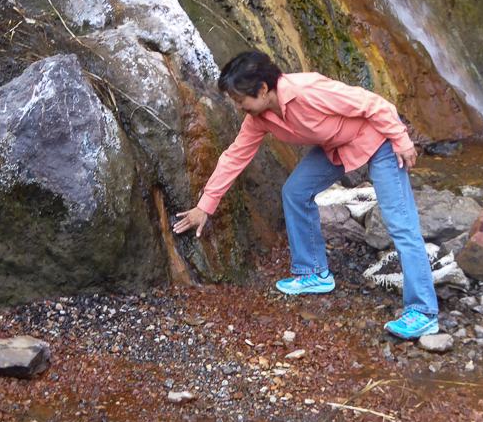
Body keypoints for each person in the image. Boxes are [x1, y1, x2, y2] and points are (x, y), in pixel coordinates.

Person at [172, 50, 439, 339]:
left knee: (399, 222)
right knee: (295, 192)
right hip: (336, 147)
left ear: (263, 89)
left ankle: (423, 311)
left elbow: (374, 104)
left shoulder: (308, 90)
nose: (238, 107)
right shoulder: (259, 118)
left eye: (240, 100)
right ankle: (313, 272)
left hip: (380, 140)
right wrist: (205, 206)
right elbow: (234, 156)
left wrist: (401, 139)